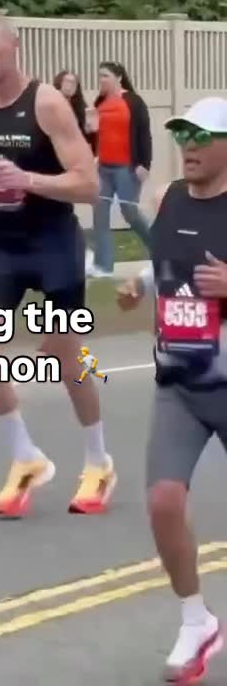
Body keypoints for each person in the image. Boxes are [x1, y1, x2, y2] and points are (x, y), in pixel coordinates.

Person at [0, 14, 117, 519]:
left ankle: (98, 462)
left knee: (63, 354)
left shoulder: (46, 103)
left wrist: (29, 180)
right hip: (5, 248)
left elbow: (89, 185)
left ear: (14, 47)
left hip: (53, 245)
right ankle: (25, 456)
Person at [116, 96, 227, 683]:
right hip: (180, 381)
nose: (189, 145)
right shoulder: (173, 199)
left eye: (203, 136)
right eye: (183, 134)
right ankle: (195, 619)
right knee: (162, 502)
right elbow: (167, 257)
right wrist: (138, 283)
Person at [87, 60, 152, 278]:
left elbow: (144, 133)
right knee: (100, 214)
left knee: (130, 212)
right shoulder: (100, 102)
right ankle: (103, 266)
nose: (101, 80)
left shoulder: (133, 101)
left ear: (118, 77)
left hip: (127, 167)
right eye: (100, 76)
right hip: (104, 167)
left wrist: (145, 164)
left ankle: (162, 250)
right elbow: (95, 133)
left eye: (105, 76)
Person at [54, 70, 96, 148]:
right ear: (59, 83)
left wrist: (90, 128)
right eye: (67, 81)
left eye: (74, 83)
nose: (70, 86)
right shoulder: (50, 101)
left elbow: (86, 136)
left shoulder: (79, 106)